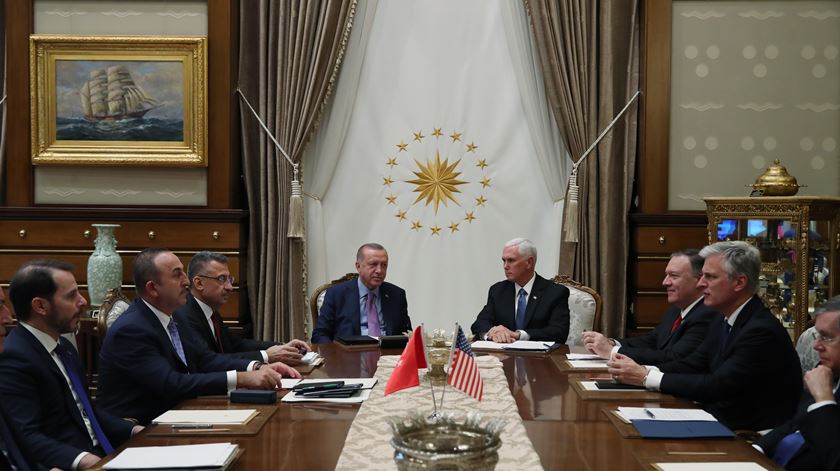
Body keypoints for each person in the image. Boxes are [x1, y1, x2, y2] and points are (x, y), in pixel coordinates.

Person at [606, 241, 802, 431]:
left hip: (750, 433)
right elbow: (692, 364)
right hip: (719, 418)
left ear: (739, 282)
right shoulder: (722, 319)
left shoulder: (761, 331)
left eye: (709, 277)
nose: (700, 284)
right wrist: (641, 371)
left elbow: (718, 385)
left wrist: (646, 377)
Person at [97, 248, 300, 425]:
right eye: (177, 275)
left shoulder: (172, 317)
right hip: (141, 428)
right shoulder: (132, 329)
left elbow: (204, 359)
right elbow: (171, 384)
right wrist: (241, 377)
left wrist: (256, 367)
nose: (186, 282)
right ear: (152, 288)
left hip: (178, 414)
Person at [0, 261, 141, 471]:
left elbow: (85, 412)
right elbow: (25, 435)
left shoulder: (64, 346)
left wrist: (134, 430)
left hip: (105, 456)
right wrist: (85, 460)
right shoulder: (15, 357)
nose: (82, 301)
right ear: (40, 306)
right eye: (71, 296)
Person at [582, 249, 720, 365]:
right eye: (666, 275)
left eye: (673, 276)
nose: (665, 282)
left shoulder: (707, 314)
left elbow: (673, 358)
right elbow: (652, 340)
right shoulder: (676, 310)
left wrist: (612, 352)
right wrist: (612, 343)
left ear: (700, 279)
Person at [174, 251, 311, 364]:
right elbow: (209, 361)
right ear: (199, 283)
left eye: (229, 280)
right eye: (222, 279)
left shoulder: (209, 310)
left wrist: (281, 346)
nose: (229, 287)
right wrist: (266, 356)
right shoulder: (185, 315)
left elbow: (235, 345)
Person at [755, 295, 840, 470]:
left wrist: (824, 400)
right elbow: (796, 423)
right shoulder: (825, 369)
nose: (816, 346)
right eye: (818, 335)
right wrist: (756, 449)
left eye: (827, 337)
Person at [471, 238, 570, 343]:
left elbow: (559, 332)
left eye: (511, 260)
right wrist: (492, 333)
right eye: (504, 261)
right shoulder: (498, 290)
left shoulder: (555, 292)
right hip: (502, 356)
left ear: (529, 262)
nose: (505, 266)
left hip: (539, 357)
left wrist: (518, 335)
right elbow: (479, 324)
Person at [311, 243, 411, 343]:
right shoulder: (336, 294)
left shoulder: (397, 295)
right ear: (358, 266)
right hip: (350, 354)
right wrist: (335, 355)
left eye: (384, 265)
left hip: (388, 355)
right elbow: (320, 335)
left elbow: (406, 334)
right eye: (373, 264)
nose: (379, 270)